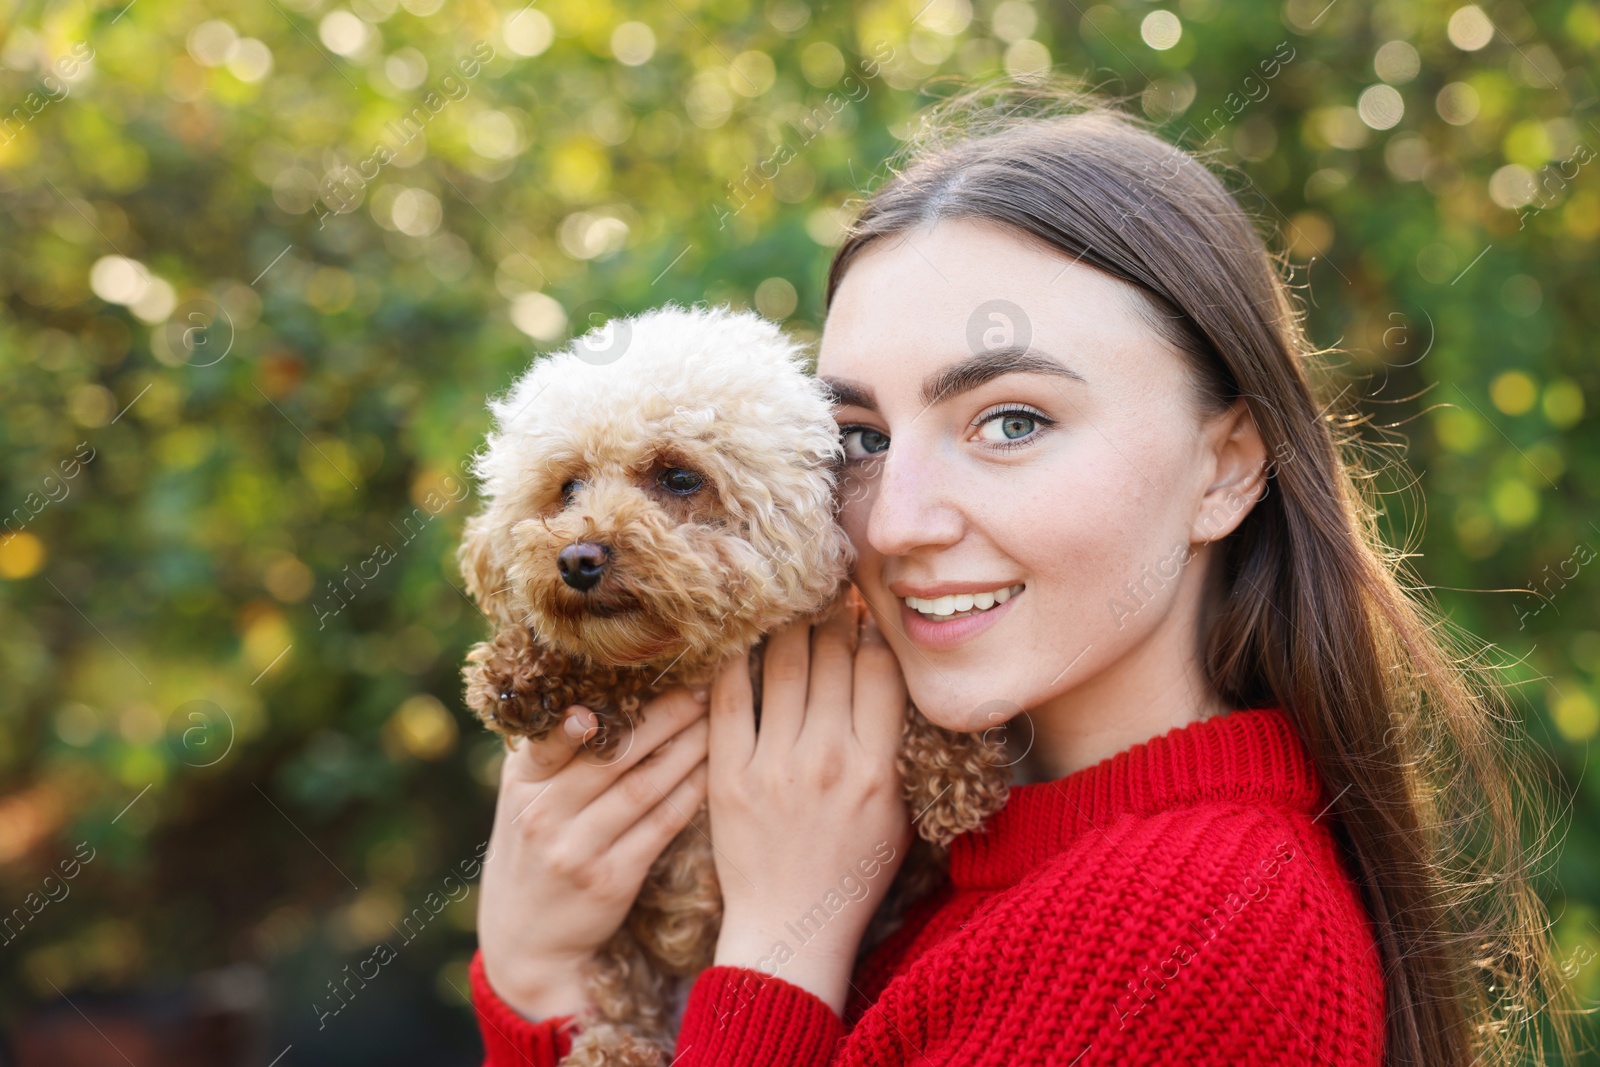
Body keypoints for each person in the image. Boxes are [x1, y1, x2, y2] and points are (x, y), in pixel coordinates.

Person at [466, 82, 1573, 1066]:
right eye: (860, 435)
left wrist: (776, 943)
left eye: (1009, 419)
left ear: (1224, 466)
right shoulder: (938, 844)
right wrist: (540, 973)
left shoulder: (1194, 928)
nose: (895, 520)